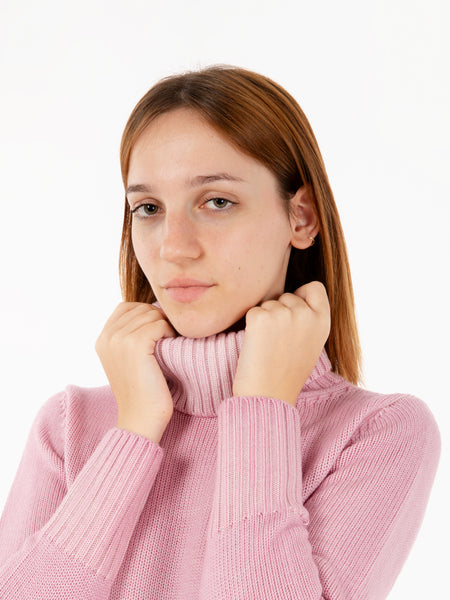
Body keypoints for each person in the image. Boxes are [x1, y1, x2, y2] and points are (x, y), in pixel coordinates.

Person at [0, 65, 440, 599]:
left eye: (217, 201)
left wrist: (260, 409)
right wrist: (134, 430)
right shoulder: (69, 426)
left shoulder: (376, 434)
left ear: (301, 218)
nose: (174, 247)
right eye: (149, 208)